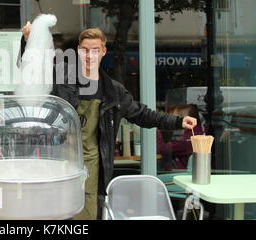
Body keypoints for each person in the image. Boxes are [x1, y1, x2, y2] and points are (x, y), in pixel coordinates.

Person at [20, 23, 197, 220]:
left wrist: (178, 121)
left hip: (91, 166)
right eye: (85, 50)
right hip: (57, 162)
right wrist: (29, 40)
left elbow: (142, 114)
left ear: (103, 52)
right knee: (52, 213)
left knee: (85, 214)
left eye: (95, 50)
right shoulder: (62, 80)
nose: (89, 56)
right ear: (78, 51)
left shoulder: (114, 91)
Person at [157, 104, 204, 171]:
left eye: (175, 118)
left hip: (182, 173)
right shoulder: (190, 133)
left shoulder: (192, 137)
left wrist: (157, 130)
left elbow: (165, 149)